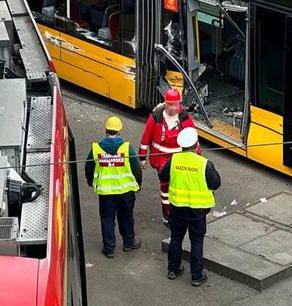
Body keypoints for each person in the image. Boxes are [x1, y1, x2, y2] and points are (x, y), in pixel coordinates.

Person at [159, 127, 221, 286]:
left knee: (176, 238)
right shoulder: (205, 164)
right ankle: (196, 276)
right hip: (197, 211)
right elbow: (216, 183)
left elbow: (162, 176)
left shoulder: (174, 160)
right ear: (196, 144)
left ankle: (173, 269)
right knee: (196, 242)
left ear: (181, 145)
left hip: (177, 208)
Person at [85, 116, 143, 258]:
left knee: (107, 219)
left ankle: (109, 248)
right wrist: (138, 183)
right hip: (126, 191)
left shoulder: (96, 148)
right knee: (126, 216)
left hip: (106, 192)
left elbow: (88, 166)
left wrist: (90, 180)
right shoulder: (126, 148)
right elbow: (136, 167)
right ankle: (129, 242)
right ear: (119, 130)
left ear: (106, 129)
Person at [139, 88, 197, 226]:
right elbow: (146, 137)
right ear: (165, 104)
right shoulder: (156, 117)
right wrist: (142, 157)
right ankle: (167, 213)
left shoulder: (184, 117)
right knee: (165, 188)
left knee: (179, 186)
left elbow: (192, 136)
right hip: (162, 159)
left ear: (179, 104)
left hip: (180, 157)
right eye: (170, 104)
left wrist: (196, 154)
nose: (173, 108)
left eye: (175, 104)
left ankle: (178, 211)